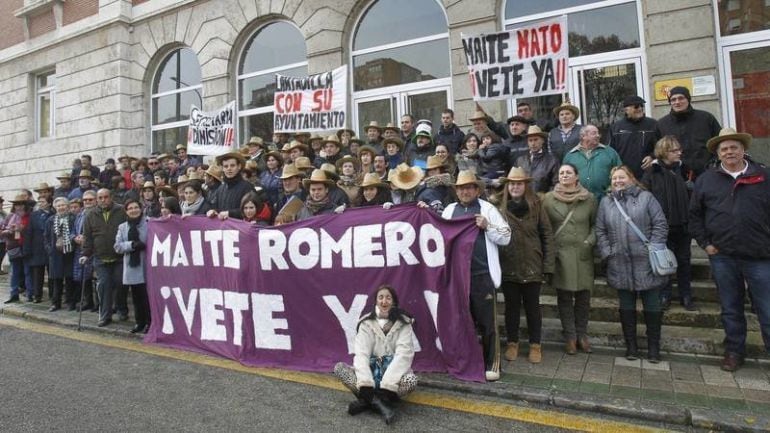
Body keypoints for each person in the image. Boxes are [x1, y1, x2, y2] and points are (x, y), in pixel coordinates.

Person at [689, 127, 770, 372]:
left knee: (767, 307)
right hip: (723, 255)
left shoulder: (764, 177)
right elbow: (694, 216)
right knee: (730, 307)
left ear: (743, 150)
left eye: (734, 147)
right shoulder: (707, 180)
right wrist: (706, 243)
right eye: (724, 149)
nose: (729, 152)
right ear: (718, 153)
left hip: (760, 255)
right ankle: (735, 351)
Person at [442, 170, 511, 381]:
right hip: (457, 276)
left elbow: (506, 236)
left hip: (481, 274)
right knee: (462, 322)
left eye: (469, 187)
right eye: (461, 188)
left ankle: (492, 363)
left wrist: (487, 226)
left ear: (476, 189)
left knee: (487, 323)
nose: (465, 191)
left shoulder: (487, 208)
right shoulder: (449, 210)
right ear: (457, 191)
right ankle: (466, 361)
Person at [596, 166, 669, 362]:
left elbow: (660, 224)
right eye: (614, 178)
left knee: (652, 305)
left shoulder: (646, 198)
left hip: (646, 261)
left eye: (622, 177)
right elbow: (600, 230)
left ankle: (654, 347)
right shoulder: (606, 202)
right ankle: (631, 346)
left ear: (631, 178)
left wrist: (653, 247)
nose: (618, 181)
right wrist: (607, 251)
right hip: (618, 261)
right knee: (626, 306)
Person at [333, 285, 418, 425]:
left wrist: (388, 385)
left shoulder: (404, 323)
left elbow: (404, 354)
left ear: (394, 302)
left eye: (388, 297)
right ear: (376, 301)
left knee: (411, 380)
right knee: (339, 368)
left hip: (392, 378)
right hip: (370, 375)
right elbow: (361, 354)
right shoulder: (366, 323)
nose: (384, 301)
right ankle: (378, 402)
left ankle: (370, 401)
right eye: (381, 297)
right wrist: (366, 384)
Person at [498, 167, 554, 364]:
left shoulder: (537, 205)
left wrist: (548, 265)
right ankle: (512, 343)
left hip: (532, 263)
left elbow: (547, 234)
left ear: (525, 185)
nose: (515, 187)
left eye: (519, 183)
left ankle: (535, 345)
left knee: (533, 308)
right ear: (507, 186)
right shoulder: (499, 207)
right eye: (512, 183)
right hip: (509, 263)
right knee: (511, 308)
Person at [542, 163, 598, 355]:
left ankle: (582, 335)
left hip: (583, 255)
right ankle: (570, 337)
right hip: (561, 256)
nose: (564, 175)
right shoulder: (548, 199)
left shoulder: (589, 198)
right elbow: (545, 228)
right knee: (564, 298)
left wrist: (589, 242)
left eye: (568, 172)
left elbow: (596, 225)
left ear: (577, 176)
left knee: (583, 298)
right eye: (561, 173)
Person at [641, 136, 695, 311]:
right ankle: (665, 295)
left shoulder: (685, 170)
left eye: (679, 150)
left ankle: (686, 295)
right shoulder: (652, 172)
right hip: (662, 227)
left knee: (684, 261)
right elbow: (644, 199)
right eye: (674, 150)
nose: (679, 152)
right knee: (664, 262)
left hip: (684, 225)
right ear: (663, 152)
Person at [81, 188, 127, 327]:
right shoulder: (90, 214)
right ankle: (105, 315)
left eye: (106, 197)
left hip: (119, 257)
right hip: (100, 257)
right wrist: (85, 254)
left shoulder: (121, 210)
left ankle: (122, 309)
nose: (103, 200)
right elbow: (87, 237)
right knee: (104, 286)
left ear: (111, 197)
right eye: (100, 198)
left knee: (120, 284)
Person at [658, 86, 721, 177]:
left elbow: (719, 142)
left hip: (707, 172)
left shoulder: (706, 118)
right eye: (673, 100)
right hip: (676, 175)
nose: (677, 102)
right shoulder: (662, 124)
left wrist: (714, 163)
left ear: (688, 99)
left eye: (681, 98)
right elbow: (658, 151)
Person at [114, 199, 150, 334]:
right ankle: (139, 322)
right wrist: (132, 245)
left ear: (141, 209)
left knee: (146, 297)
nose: (133, 210)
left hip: (146, 265)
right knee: (136, 298)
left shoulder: (149, 223)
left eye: (136, 207)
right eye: (130, 208)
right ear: (126, 211)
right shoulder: (122, 227)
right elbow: (117, 246)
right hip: (132, 267)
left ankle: (149, 322)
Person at [607, 95, 662, 179]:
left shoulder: (653, 124)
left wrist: (652, 156)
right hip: (624, 175)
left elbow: (662, 146)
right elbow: (610, 152)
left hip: (649, 174)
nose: (639, 108)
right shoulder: (616, 128)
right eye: (636, 106)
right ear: (626, 110)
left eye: (641, 106)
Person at [563, 124, 623, 200]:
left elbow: (620, 173)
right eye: (594, 133)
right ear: (583, 136)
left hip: (606, 199)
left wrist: (611, 188)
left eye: (598, 133)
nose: (598, 136)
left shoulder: (610, 152)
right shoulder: (570, 156)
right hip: (578, 201)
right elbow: (563, 178)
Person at [1, 194, 35, 303]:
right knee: (14, 272)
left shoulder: (30, 216)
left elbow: (32, 232)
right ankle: (14, 294)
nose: (19, 207)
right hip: (13, 247)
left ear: (25, 205)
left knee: (27, 272)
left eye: (21, 204)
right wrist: (9, 231)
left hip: (26, 247)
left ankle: (30, 294)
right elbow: (2, 231)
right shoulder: (10, 216)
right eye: (17, 205)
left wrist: (22, 230)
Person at [44, 197, 76, 311]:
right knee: (56, 280)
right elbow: (46, 237)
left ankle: (71, 302)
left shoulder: (73, 218)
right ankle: (55, 303)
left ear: (67, 206)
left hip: (69, 253)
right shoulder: (50, 220)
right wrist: (49, 250)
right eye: (58, 206)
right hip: (55, 255)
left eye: (63, 205)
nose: (61, 207)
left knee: (69, 279)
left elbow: (75, 233)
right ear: (55, 207)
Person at [206, 151, 254, 220]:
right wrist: (213, 211)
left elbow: (252, 211)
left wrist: (229, 213)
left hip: (241, 228)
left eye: (232, 165)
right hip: (223, 228)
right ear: (222, 168)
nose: (229, 169)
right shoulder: (220, 189)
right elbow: (216, 208)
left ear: (239, 166)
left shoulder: (247, 187)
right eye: (226, 166)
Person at [515, 125, 559, 193]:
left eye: (536, 140)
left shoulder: (552, 160)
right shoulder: (520, 160)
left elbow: (556, 184)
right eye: (530, 140)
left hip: (543, 200)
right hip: (524, 199)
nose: (533, 143)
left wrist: (545, 197)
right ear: (527, 142)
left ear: (542, 141)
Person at [72, 194, 96, 312]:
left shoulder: (97, 213)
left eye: (90, 199)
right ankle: (88, 301)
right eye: (85, 200)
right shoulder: (79, 215)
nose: (87, 202)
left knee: (95, 278)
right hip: (80, 249)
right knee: (83, 277)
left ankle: (98, 304)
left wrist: (86, 237)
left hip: (94, 249)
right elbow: (73, 231)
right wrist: (75, 237)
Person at [26, 197, 52, 303]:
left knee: (52, 273)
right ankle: (37, 295)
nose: (40, 204)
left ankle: (52, 295)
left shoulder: (53, 214)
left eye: (43, 201)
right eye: (39, 202)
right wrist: (27, 248)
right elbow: (29, 232)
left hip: (50, 247)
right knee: (37, 274)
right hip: (37, 248)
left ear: (49, 203)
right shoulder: (34, 215)